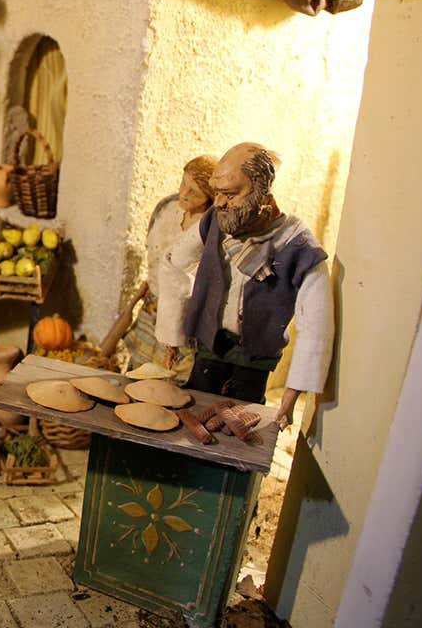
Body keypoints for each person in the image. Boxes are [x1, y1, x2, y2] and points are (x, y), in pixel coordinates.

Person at [157, 143, 333, 429]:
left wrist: (289, 399)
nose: (219, 203)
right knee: (194, 415)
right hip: (211, 348)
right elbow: (173, 262)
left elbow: (317, 326)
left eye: (230, 193)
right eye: (217, 192)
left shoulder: (297, 247)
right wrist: (173, 334)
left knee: (239, 427)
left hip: (255, 360)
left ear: (261, 192)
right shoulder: (214, 222)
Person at [125, 155, 217, 372]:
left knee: (170, 379)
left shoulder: (209, 228)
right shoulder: (167, 209)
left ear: (209, 196)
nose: (183, 193)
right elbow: (154, 263)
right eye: (184, 183)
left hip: (182, 320)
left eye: (193, 191)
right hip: (151, 311)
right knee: (140, 371)